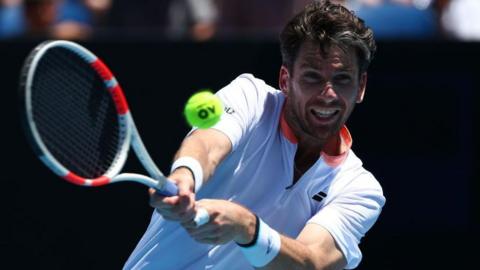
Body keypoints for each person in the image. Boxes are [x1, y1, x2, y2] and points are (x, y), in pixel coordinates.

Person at [124, 1, 385, 269]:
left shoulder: (359, 189)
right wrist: (185, 174)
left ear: (361, 86)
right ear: (285, 80)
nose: (328, 93)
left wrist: (247, 228)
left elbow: (313, 261)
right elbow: (208, 145)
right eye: (312, 77)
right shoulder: (250, 97)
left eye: (342, 79)